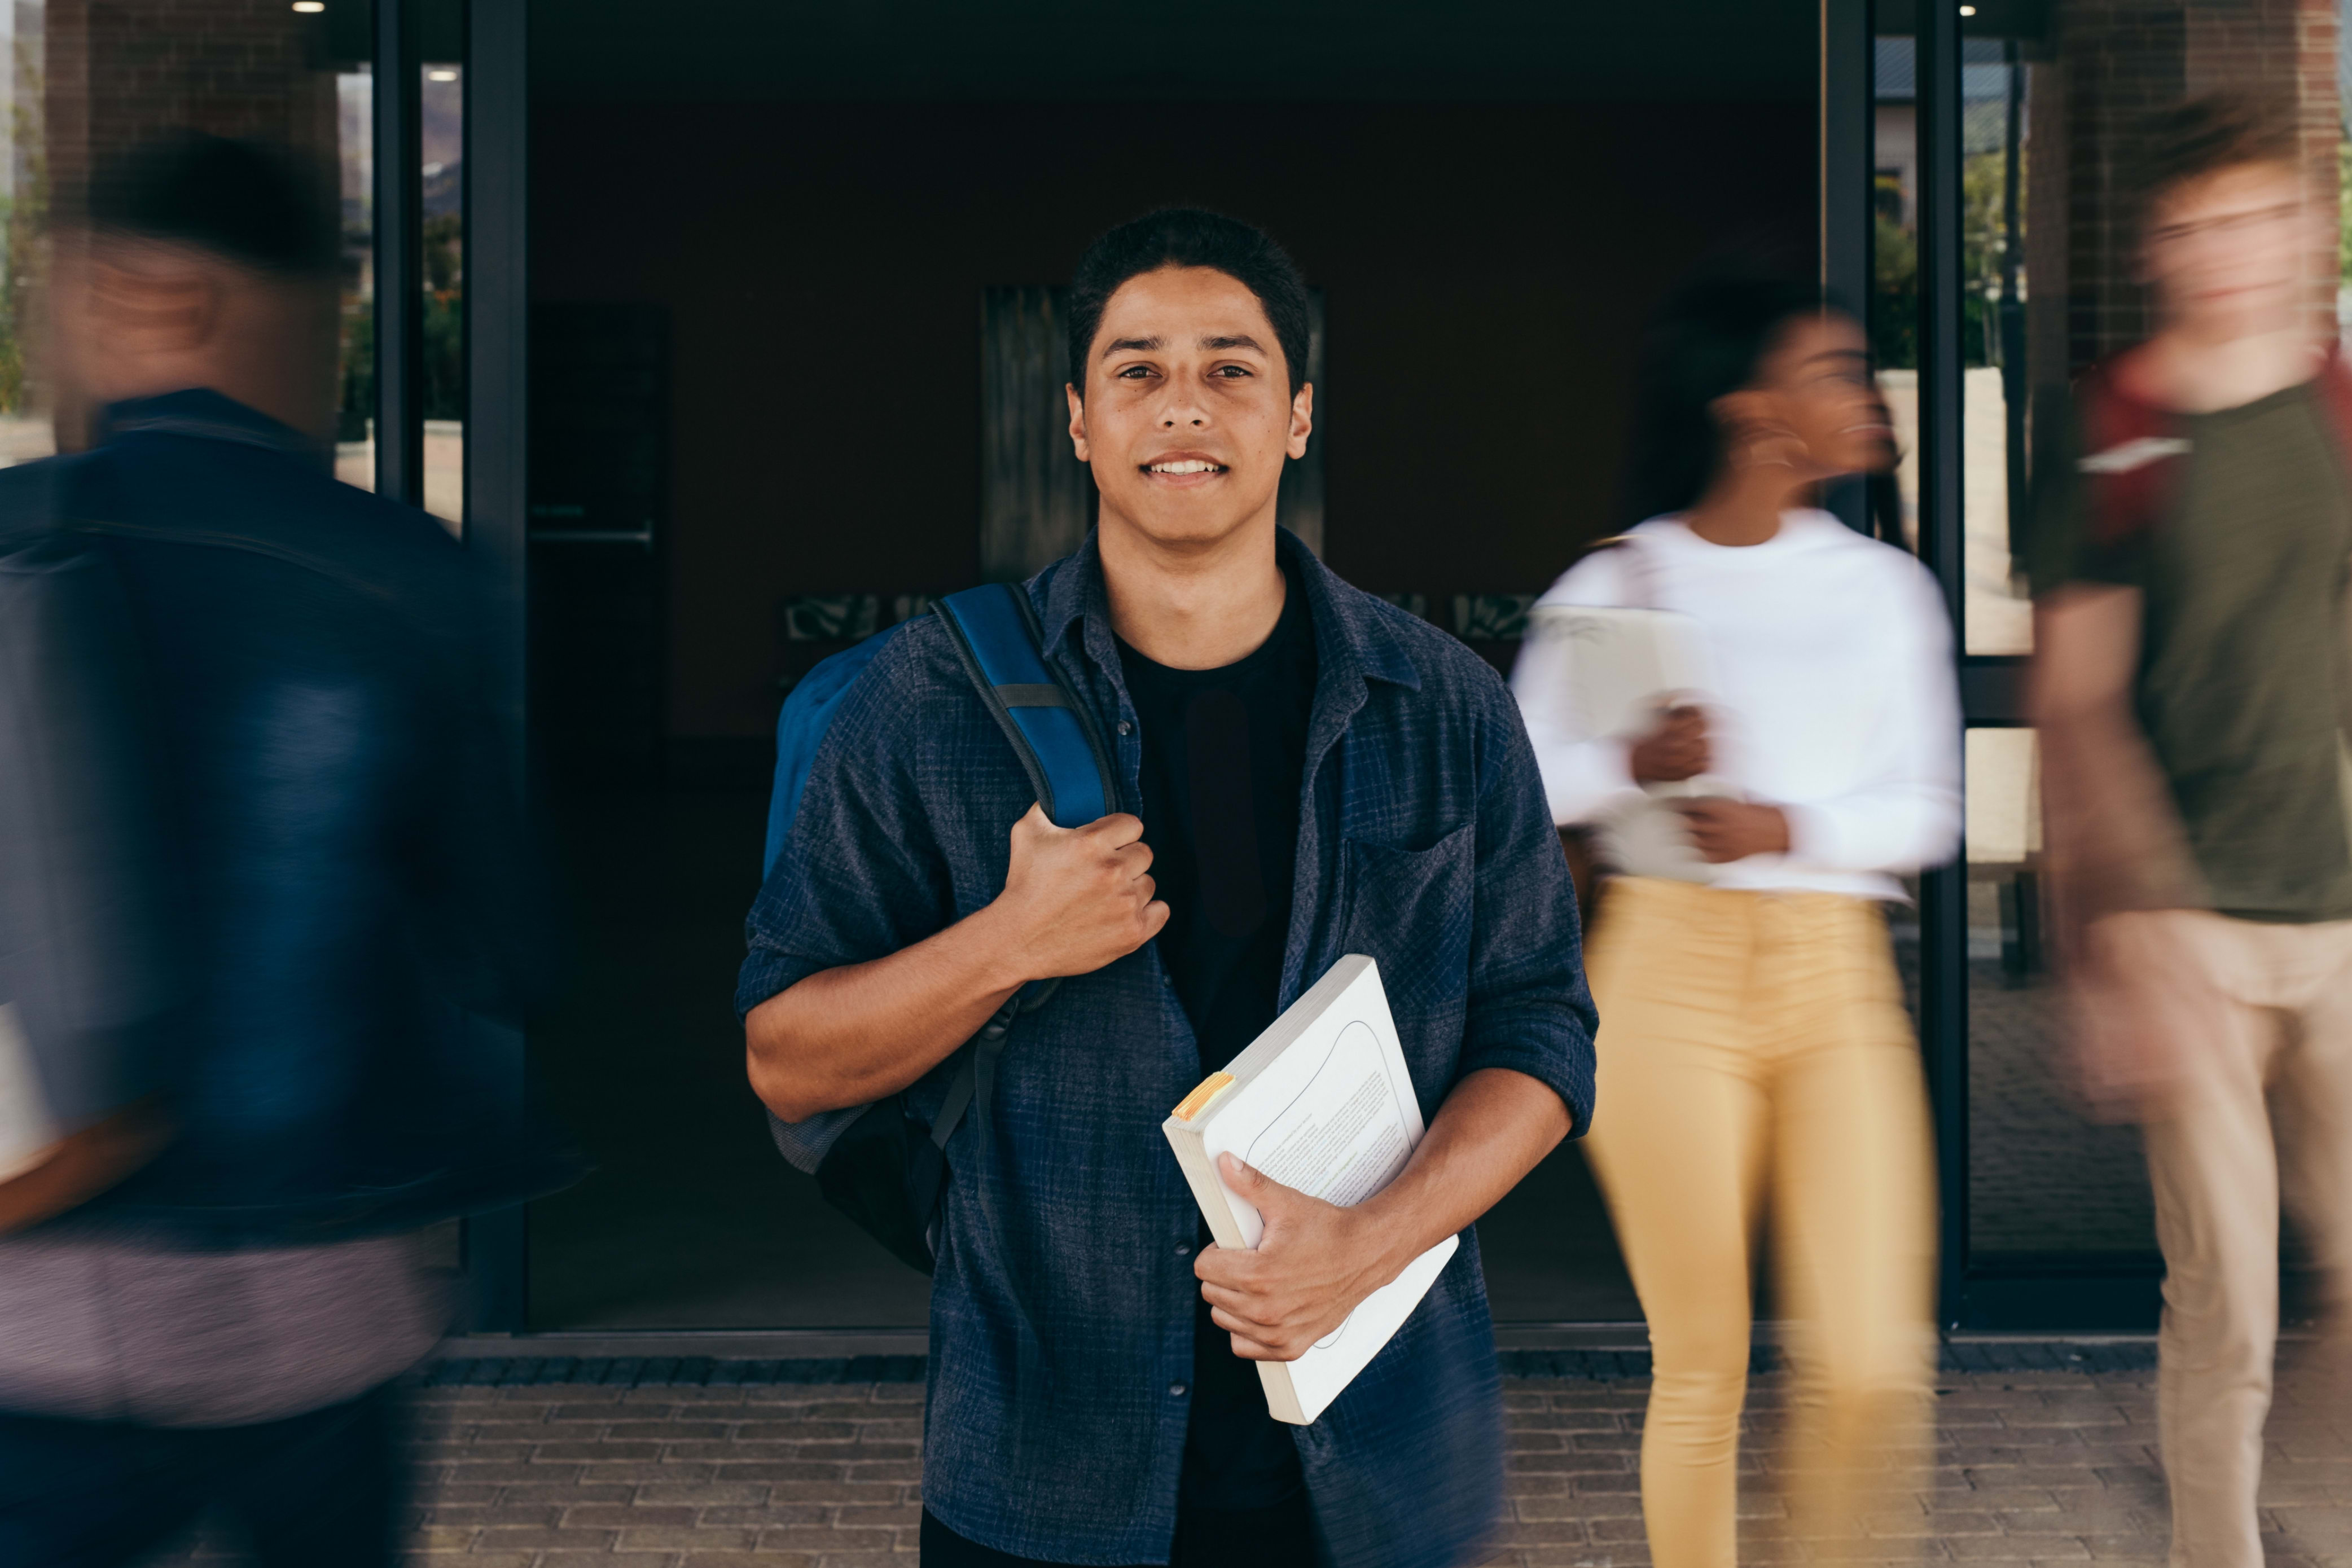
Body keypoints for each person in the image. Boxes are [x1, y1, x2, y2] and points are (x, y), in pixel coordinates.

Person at [740, 208, 1596, 1568]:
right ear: (1078, 420)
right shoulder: (920, 706)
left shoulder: (1443, 706)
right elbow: (786, 1058)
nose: (1181, 405)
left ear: (1299, 415)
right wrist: (1006, 942)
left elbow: (1542, 1029)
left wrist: (1367, 1240)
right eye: (1136, 370)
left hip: (1372, 1460)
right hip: (1044, 1466)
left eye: (1229, 368)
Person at [0, 134, 566, 1566]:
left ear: (152, 300)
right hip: (323, 1304)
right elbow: (512, 946)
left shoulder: (11, 538)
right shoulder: (409, 575)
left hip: (31, 1304)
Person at [1511, 276, 1959, 1568]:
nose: (1864, 395)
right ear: (1750, 409)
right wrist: (1632, 766)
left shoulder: (1887, 592)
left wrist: (1789, 831)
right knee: (1702, 1359)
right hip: (1662, 977)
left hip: (1834, 983)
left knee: (1875, 1361)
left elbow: (1928, 807)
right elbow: (1521, 778)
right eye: (1831, 370)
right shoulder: (1622, 578)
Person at [2028, 94, 2351, 1568]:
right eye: (2198, 229)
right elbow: (2079, 703)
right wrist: (2108, 949)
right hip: (2188, 929)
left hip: (2342, 918)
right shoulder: (2118, 431)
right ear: (2163, 246)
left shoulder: (2344, 409)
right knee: (2228, 1303)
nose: (2229, 255)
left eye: (2257, 223)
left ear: (2309, 231)